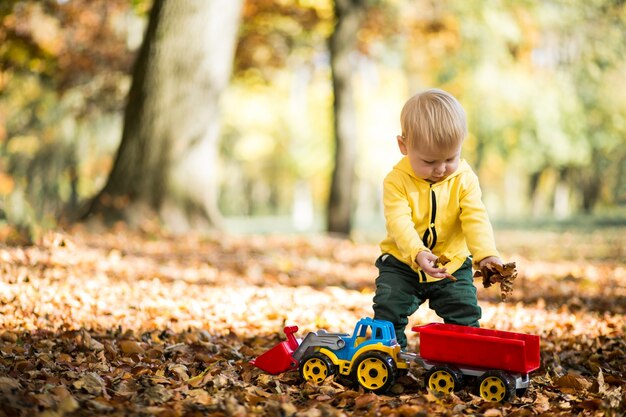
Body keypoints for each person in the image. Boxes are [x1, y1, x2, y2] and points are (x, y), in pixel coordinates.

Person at [373, 88, 503, 349]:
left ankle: (463, 358)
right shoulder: (396, 181)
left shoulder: (465, 179)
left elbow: (475, 217)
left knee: (464, 312)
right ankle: (388, 354)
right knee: (388, 308)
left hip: (451, 265)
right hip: (403, 264)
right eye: (430, 161)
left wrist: (486, 254)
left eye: (450, 158)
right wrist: (417, 253)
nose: (441, 169)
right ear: (404, 146)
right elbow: (399, 221)